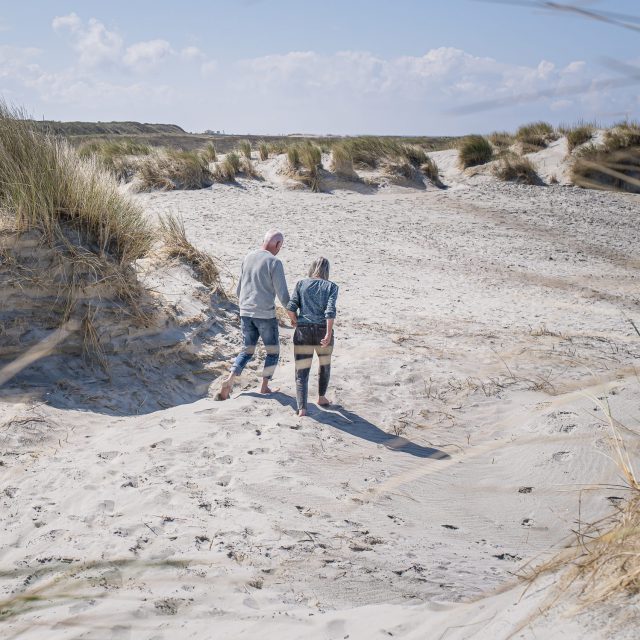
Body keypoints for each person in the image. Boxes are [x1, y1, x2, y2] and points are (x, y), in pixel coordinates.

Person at [219, 229, 290, 400]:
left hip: (245, 312)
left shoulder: (248, 257)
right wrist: (292, 314)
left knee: (247, 350)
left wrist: (245, 306)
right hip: (264, 314)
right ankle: (264, 387)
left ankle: (229, 380)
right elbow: (283, 294)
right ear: (278, 244)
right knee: (272, 351)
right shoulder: (274, 262)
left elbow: (238, 290)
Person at [286, 257, 338, 416]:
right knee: (324, 365)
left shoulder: (301, 284)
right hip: (322, 329)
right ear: (326, 270)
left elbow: (291, 306)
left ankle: (302, 408)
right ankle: (321, 397)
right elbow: (330, 311)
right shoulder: (331, 287)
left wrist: (294, 320)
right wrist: (329, 333)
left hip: (303, 330)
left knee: (301, 370)